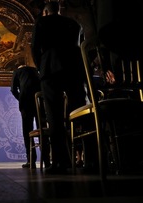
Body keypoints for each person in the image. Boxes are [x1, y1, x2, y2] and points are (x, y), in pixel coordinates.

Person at [31, 1, 87, 174]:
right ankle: (91, 159)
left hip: (51, 69)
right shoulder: (74, 23)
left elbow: (35, 48)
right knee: (81, 113)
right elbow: (81, 46)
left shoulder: (42, 22)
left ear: (46, 12)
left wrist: (42, 68)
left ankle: (61, 162)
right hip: (75, 69)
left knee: (54, 116)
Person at [10, 63, 50, 169]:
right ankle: (47, 161)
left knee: (27, 131)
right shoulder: (35, 70)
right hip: (39, 101)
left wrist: (21, 99)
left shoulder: (17, 72)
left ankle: (31, 161)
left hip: (26, 102)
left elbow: (13, 89)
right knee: (43, 130)